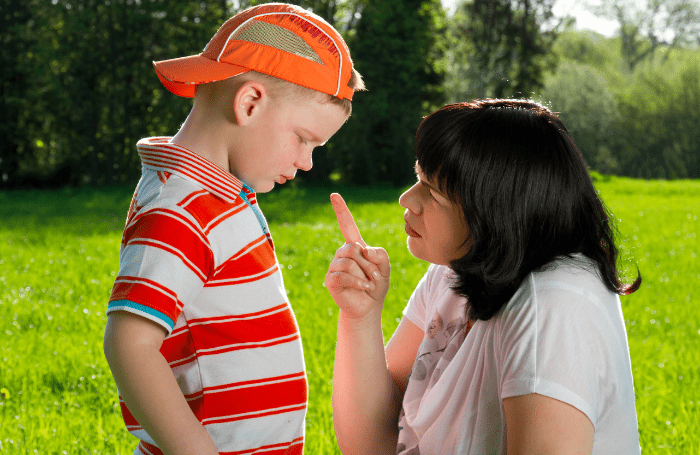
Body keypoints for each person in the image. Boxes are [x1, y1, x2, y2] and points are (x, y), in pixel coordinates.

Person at [102, 4, 364, 455]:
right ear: (249, 103)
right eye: (304, 139)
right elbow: (129, 344)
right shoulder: (182, 207)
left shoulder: (218, 194)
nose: (307, 162)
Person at [325, 99, 642, 455]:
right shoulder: (452, 274)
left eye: (432, 191)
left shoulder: (553, 309)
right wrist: (360, 316)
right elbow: (372, 444)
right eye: (418, 178)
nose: (406, 200)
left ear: (494, 213)